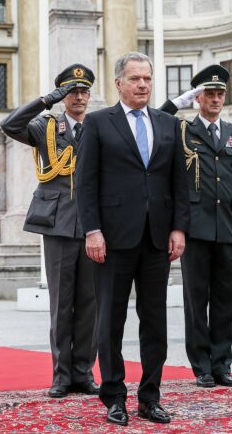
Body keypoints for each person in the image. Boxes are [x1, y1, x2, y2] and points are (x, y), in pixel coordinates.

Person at [76, 52, 189, 426]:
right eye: (135, 79)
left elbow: (179, 182)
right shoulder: (97, 123)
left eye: (148, 79)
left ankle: (150, 397)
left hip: (157, 238)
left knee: (155, 321)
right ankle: (114, 396)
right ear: (118, 84)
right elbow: (86, 183)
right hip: (112, 239)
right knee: (110, 321)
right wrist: (92, 230)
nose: (143, 85)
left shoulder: (168, 124)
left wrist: (178, 228)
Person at [0, 64, 99, 399]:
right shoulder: (46, 126)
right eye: (72, 91)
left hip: (92, 226)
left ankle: (84, 373)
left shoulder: (99, 127)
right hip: (56, 223)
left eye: (84, 91)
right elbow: (10, 125)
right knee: (61, 303)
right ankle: (61, 375)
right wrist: (45, 100)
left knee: (89, 304)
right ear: (63, 95)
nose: (79, 97)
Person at [159, 65, 232, 389]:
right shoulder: (182, 130)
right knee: (197, 301)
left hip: (227, 226)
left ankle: (222, 364)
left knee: (226, 300)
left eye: (220, 93)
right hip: (195, 227)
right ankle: (202, 366)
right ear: (198, 98)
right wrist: (178, 102)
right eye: (209, 93)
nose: (216, 99)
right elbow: (156, 117)